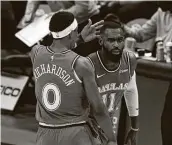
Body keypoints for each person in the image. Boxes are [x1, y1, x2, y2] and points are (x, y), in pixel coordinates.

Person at [29, 11, 117, 145]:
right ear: (70, 34)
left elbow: (58, 53)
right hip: (75, 134)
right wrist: (111, 138)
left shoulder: (35, 53)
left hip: (44, 134)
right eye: (76, 31)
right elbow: (98, 108)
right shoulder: (81, 64)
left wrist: (80, 39)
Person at [123, 2, 172, 145]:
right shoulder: (160, 13)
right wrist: (122, 27)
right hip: (165, 73)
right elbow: (141, 34)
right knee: (166, 121)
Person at [87, 14, 139, 145]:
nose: (116, 45)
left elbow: (131, 91)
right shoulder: (88, 64)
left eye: (120, 40)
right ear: (101, 41)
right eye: (111, 40)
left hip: (105, 127)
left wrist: (134, 127)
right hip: (83, 126)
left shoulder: (129, 60)